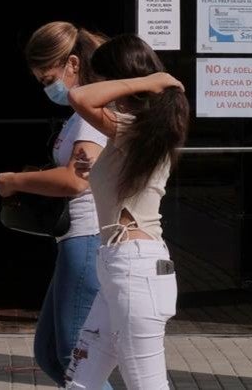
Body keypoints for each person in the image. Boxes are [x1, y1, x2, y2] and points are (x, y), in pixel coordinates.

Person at [63, 34, 189, 390]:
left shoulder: (140, 125)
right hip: (120, 266)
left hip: (134, 269)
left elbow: (78, 97)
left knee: (146, 386)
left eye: (101, 78)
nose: (97, 86)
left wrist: (147, 82)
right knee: (81, 381)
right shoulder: (138, 129)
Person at [0, 22, 113, 389]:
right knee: (51, 352)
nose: (48, 88)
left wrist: (14, 180)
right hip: (75, 240)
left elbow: (76, 180)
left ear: (73, 65)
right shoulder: (81, 114)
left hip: (86, 238)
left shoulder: (91, 116)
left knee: (72, 355)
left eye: (48, 79)